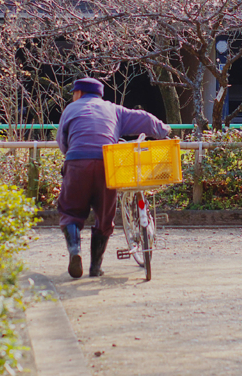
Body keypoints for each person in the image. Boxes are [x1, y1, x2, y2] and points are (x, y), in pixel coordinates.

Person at [56, 77, 170, 278]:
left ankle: (75, 251)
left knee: (70, 212)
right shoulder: (114, 110)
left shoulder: (70, 109)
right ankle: (95, 267)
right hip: (106, 164)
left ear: (79, 93)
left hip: (77, 163)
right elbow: (144, 118)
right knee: (105, 216)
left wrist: (71, 154)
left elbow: (62, 143)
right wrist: (163, 131)